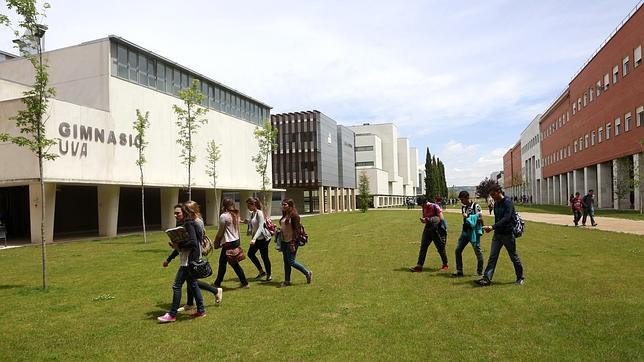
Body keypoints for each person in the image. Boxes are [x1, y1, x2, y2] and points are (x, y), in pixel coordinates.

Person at [158, 204, 207, 323]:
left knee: (176, 286)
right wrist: (170, 257)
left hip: (189, 262)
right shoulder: (183, 225)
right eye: (174, 213)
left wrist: (179, 245)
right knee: (193, 285)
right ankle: (201, 311)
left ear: (184, 213)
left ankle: (172, 314)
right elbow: (183, 245)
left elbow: (194, 243)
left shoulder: (189, 224)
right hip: (186, 260)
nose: (175, 215)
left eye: (178, 213)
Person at [179, 201, 223, 312]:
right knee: (191, 279)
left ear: (192, 211)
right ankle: (190, 303)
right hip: (190, 252)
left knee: (191, 280)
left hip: (195, 253)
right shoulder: (191, 221)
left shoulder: (197, 222)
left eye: (186, 211)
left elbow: (197, 239)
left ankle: (215, 291)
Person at [476, 185, 524, 286]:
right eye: (491, 195)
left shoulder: (508, 202)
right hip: (497, 235)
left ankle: (520, 278)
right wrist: (493, 229)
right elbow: (497, 219)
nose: (492, 197)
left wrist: (492, 227)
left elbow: (506, 218)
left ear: (499, 192)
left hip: (507, 234)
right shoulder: (496, 204)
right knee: (492, 257)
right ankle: (486, 279)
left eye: (493, 194)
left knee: (513, 257)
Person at [213, 198, 249, 289]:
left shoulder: (224, 216)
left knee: (230, 263)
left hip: (229, 243)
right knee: (226, 262)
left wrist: (216, 241)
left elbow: (220, 232)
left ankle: (244, 283)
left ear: (223, 205)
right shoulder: (236, 214)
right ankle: (218, 282)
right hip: (235, 241)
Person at [277, 199, 312, 287]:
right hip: (284, 240)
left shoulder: (295, 216)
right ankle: (287, 280)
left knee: (291, 261)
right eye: (282, 205)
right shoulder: (285, 214)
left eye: (285, 205)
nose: (283, 206)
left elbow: (297, 230)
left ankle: (307, 273)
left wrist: (293, 242)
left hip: (292, 241)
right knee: (286, 261)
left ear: (290, 205)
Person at [409, 197, 449, 272]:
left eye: (422, 205)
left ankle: (445, 265)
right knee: (423, 247)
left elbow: (440, 218)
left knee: (440, 248)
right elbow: (426, 219)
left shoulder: (435, 206)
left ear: (426, 202)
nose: (422, 207)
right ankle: (419, 266)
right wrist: (424, 220)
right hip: (428, 229)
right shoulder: (424, 208)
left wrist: (428, 219)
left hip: (436, 230)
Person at [452, 191, 484, 277]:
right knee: (458, 250)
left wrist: (470, 217)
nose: (461, 201)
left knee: (477, 251)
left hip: (474, 233)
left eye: (462, 199)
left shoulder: (476, 206)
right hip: (465, 232)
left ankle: (479, 271)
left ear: (467, 197)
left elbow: (481, 218)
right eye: (460, 200)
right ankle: (459, 271)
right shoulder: (463, 207)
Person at [244, 197, 272, 282]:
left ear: (254, 204)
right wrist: (245, 221)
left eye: (249, 205)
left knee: (264, 257)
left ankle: (269, 276)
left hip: (263, 239)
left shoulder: (259, 213)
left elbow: (260, 227)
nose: (247, 207)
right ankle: (261, 272)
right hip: (257, 239)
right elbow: (253, 222)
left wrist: (254, 239)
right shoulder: (253, 213)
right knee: (250, 254)